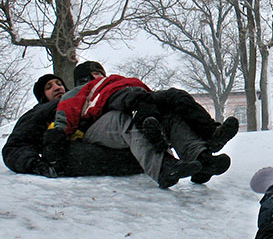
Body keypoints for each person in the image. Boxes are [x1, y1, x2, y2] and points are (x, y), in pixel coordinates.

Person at [43, 61, 239, 188]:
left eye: (98, 73)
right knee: (123, 120)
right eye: (92, 74)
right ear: (83, 79)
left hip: (133, 110)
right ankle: (163, 168)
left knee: (169, 117)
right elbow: (65, 114)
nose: (97, 77)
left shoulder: (118, 82)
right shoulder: (78, 92)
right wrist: (57, 136)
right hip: (93, 128)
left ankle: (202, 159)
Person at [2, 73, 144, 178]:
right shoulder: (39, 112)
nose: (57, 87)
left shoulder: (83, 103)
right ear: (42, 96)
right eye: (49, 87)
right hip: (72, 152)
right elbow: (15, 146)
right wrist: (33, 164)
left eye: (59, 83)